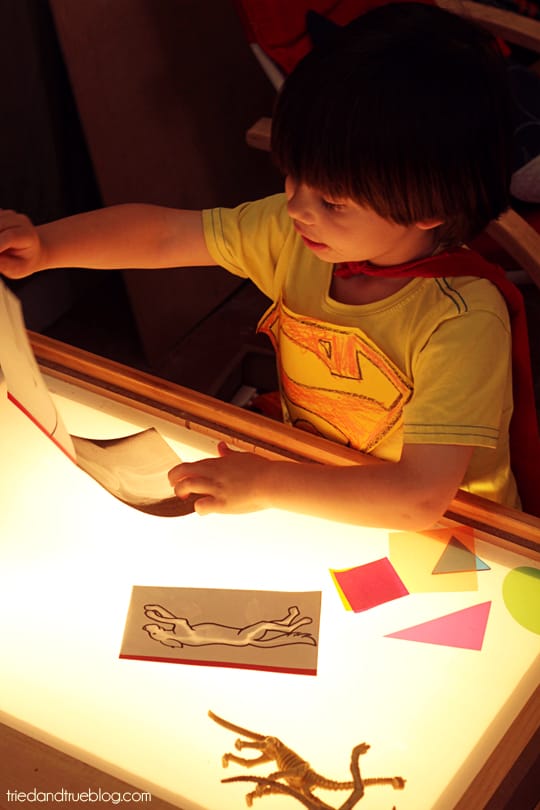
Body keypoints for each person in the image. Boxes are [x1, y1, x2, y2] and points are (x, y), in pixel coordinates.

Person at [0, 3, 537, 527]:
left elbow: (418, 497)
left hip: (460, 537)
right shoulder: (297, 234)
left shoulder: (463, 320)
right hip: (314, 486)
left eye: (333, 202)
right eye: (293, 176)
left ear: (428, 209)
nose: (298, 206)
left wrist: (262, 484)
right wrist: (46, 246)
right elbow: (165, 236)